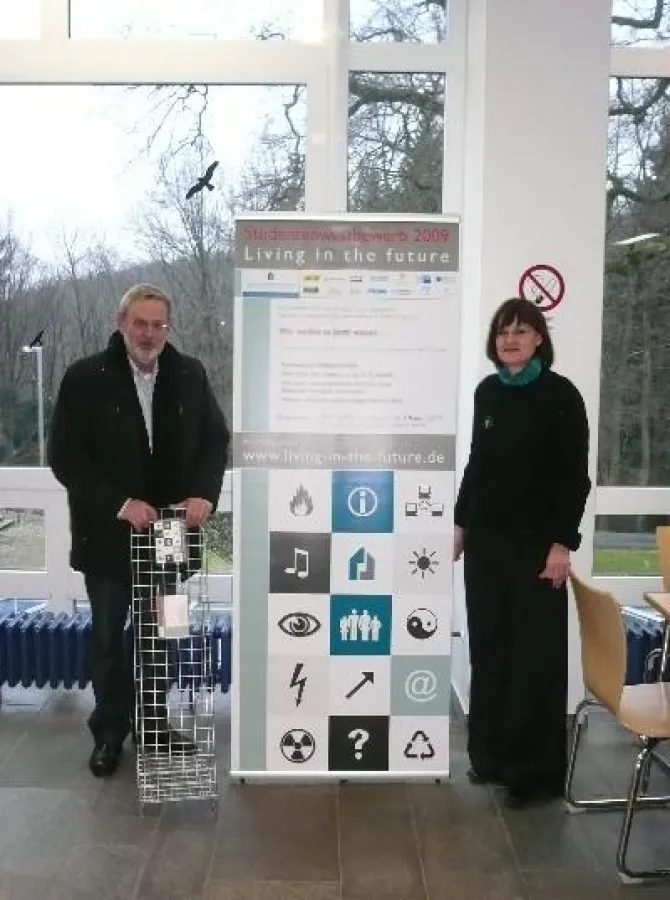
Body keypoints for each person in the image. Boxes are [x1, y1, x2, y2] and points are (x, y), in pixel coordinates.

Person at [48, 284, 229, 777]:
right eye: (140, 323)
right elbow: (64, 457)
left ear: (168, 327)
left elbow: (215, 440)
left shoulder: (189, 373)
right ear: (121, 321)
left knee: (164, 632)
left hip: (171, 537)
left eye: (158, 325)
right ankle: (109, 733)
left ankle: (154, 726)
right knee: (108, 639)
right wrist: (121, 503)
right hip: (108, 538)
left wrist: (204, 493)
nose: (149, 334)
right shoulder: (85, 377)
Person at [453, 296, 590, 808]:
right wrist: (462, 523)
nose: (509, 339)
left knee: (534, 657)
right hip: (487, 545)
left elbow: (576, 477)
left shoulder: (561, 396)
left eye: (520, 331)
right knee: (490, 649)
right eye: (502, 332)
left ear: (538, 339)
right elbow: (477, 464)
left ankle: (534, 773)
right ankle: (490, 758)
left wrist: (562, 543)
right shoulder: (487, 392)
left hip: (537, 550)